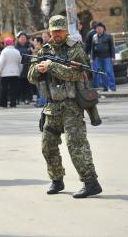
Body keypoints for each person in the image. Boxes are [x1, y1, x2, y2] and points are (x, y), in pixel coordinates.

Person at [28, 15, 102, 198]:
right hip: (52, 107)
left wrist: (52, 67)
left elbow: (77, 74)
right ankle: (56, 180)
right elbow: (30, 76)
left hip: (71, 106)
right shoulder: (44, 50)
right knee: (48, 145)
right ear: (50, 31)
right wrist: (38, 69)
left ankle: (91, 182)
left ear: (66, 31)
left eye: (60, 30)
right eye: (54, 31)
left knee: (75, 144)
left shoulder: (75, 49)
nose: (57, 34)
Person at [0, 37, 22, 108]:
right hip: (15, 73)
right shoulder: (17, 51)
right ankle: (13, 103)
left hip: (5, 73)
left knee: (3, 89)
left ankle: (3, 104)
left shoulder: (4, 51)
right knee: (13, 89)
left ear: (5, 44)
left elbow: (1, 62)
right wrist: (19, 71)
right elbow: (20, 63)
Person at [90, 22, 116, 92]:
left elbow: (112, 47)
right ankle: (105, 87)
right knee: (101, 72)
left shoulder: (108, 36)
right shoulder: (94, 37)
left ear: (103, 29)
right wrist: (92, 58)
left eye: (100, 28)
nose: (98, 29)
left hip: (107, 57)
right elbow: (92, 48)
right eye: (97, 28)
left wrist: (113, 57)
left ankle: (112, 87)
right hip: (98, 58)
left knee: (109, 71)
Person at [15, 31, 35, 104]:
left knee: (28, 84)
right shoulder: (15, 47)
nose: (23, 39)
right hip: (19, 68)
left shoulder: (30, 46)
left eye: (24, 38)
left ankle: (28, 98)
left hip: (28, 67)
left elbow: (34, 55)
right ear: (18, 39)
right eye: (21, 38)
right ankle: (19, 98)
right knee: (19, 84)